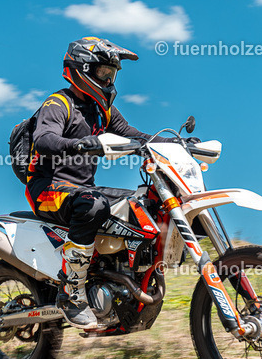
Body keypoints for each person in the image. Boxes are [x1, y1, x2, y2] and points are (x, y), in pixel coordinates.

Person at [25, 37, 192, 329]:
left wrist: (179, 143)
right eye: (103, 73)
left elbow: (135, 135)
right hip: (48, 189)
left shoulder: (103, 110)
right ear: (82, 69)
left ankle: (122, 281)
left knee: (144, 205)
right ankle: (72, 293)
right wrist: (80, 145)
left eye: (112, 74)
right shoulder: (59, 102)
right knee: (93, 205)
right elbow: (44, 138)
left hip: (81, 190)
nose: (109, 80)